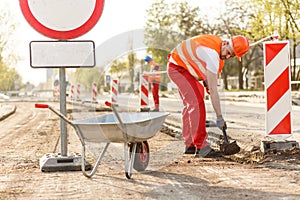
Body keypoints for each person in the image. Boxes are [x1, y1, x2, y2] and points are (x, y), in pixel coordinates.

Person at [167, 34, 249, 157]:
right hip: (177, 68)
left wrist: (208, 84)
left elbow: (208, 78)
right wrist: (219, 117)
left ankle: (190, 144)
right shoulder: (212, 54)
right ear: (225, 43)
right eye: (228, 52)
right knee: (196, 101)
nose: (226, 57)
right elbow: (214, 91)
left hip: (181, 67)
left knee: (192, 100)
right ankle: (201, 147)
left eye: (230, 56)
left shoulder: (215, 47)